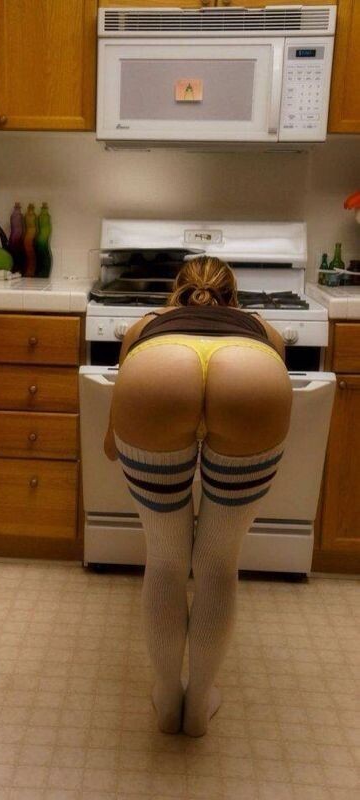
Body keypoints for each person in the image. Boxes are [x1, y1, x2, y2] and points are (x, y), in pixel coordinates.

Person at [104, 256, 292, 737]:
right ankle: (199, 703)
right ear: (234, 296)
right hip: (252, 373)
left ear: (177, 292)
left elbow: (110, 437)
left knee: (166, 560)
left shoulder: (148, 324)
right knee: (218, 563)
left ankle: (168, 700)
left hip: (157, 369)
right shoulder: (262, 328)